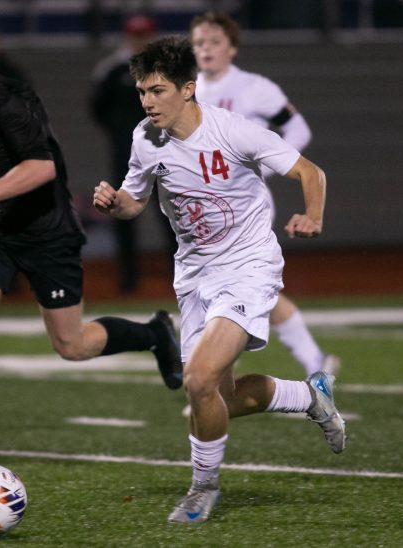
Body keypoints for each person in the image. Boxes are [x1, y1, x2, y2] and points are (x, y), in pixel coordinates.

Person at [0, 8, 182, 480]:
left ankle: (154, 333)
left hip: (44, 230)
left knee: (71, 345)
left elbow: (42, 167)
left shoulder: (5, 97)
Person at [93, 36, 346, 524]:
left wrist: (312, 214)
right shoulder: (144, 137)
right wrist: (115, 203)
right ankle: (311, 396)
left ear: (188, 89)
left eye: (157, 90)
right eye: (142, 91)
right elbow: (135, 200)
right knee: (215, 398)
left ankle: (202, 488)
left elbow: (311, 172)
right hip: (195, 275)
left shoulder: (234, 131)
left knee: (198, 378)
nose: (147, 102)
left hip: (248, 266)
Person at [190, 11, 339, 378]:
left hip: (245, 203)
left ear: (233, 48)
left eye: (214, 42)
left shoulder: (254, 87)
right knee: (240, 288)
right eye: (199, 43)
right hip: (205, 207)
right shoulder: (189, 89)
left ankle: (212, 377)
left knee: (225, 283)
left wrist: (263, 169)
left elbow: (298, 130)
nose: (206, 49)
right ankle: (313, 362)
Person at [89, 14, 175, 292]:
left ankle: (181, 272)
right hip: (127, 157)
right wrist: (121, 136)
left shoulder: (169, 70)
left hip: (165, 154)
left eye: (144, 35)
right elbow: (98, 109)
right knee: (123, 210)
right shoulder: (112, 70)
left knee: (172, 211)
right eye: (135, 35)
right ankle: (128, 277)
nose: (140, 41)